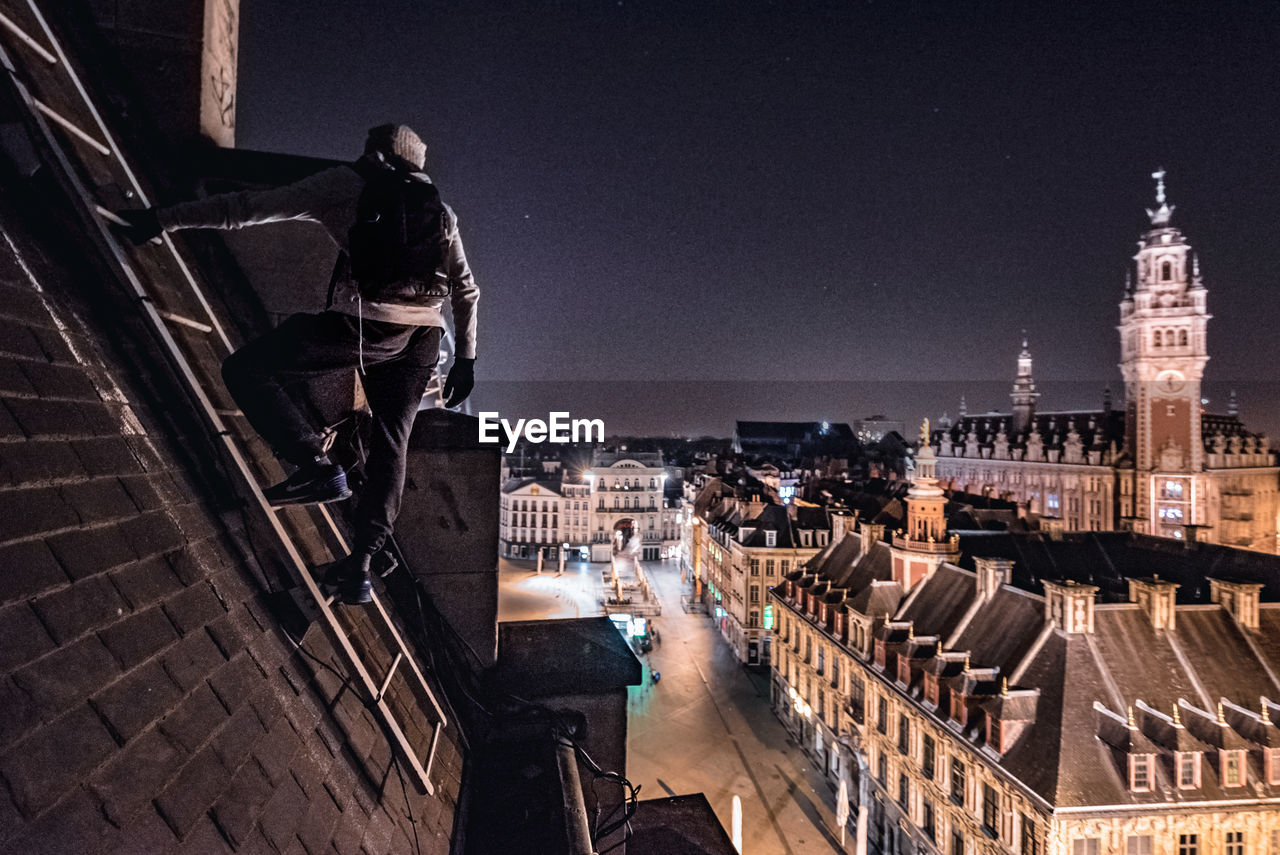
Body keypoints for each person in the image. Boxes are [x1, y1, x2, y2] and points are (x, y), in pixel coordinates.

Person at [114, 124, 479, 605]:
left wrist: (163, 219)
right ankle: (360, 567)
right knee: (394, 444)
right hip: (424, 339)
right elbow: (466, 289)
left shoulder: (344, 185)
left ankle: (313, 464)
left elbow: (245, 211)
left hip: (366, 326)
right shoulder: (441, 211)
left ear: (373, 151)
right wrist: (467, 359)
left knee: (248, 370)